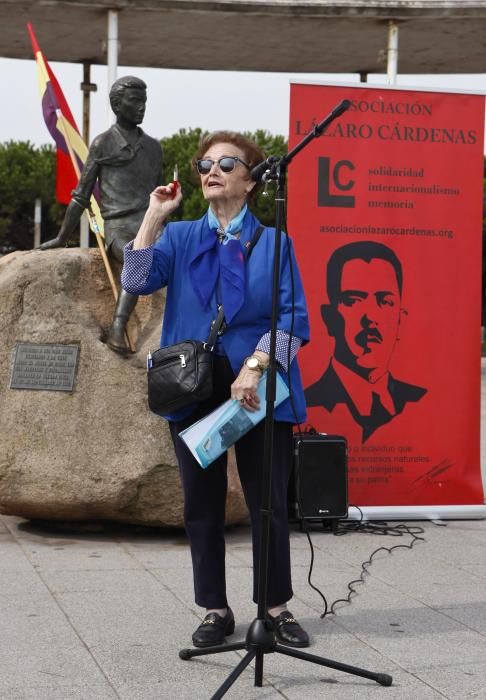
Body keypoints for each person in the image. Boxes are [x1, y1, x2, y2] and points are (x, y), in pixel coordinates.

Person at [121, 131, 311, 649]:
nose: (212, 170)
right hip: (192, 382)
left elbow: (293, 319)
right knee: (200, 506)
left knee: (267, 501)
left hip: (257, 388)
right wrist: (153, 216)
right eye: (205, 163)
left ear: (251, 181)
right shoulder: (180, 237)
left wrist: (254, 366)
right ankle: (214, 609)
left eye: (227, 164)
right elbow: (136, 281)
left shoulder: (275, 243)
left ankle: (274, 607)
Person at [40, 76, 163, 355]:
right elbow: (81, 196)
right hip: (119, 226)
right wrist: (61, 237)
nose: (142, 107)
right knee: (136, 255)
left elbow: (159, 192)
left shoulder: (154, 147)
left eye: (144, 101)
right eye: (135, 101)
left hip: (152, 222)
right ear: (117, 105)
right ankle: (118, 329)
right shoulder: (103, 144)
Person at [305, 240, 427, 442]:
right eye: (354, 300)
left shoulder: (424, 404)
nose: (371, 317)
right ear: (329, 318)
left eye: (385, 301)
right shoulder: (307, 404)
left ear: (400, 318)